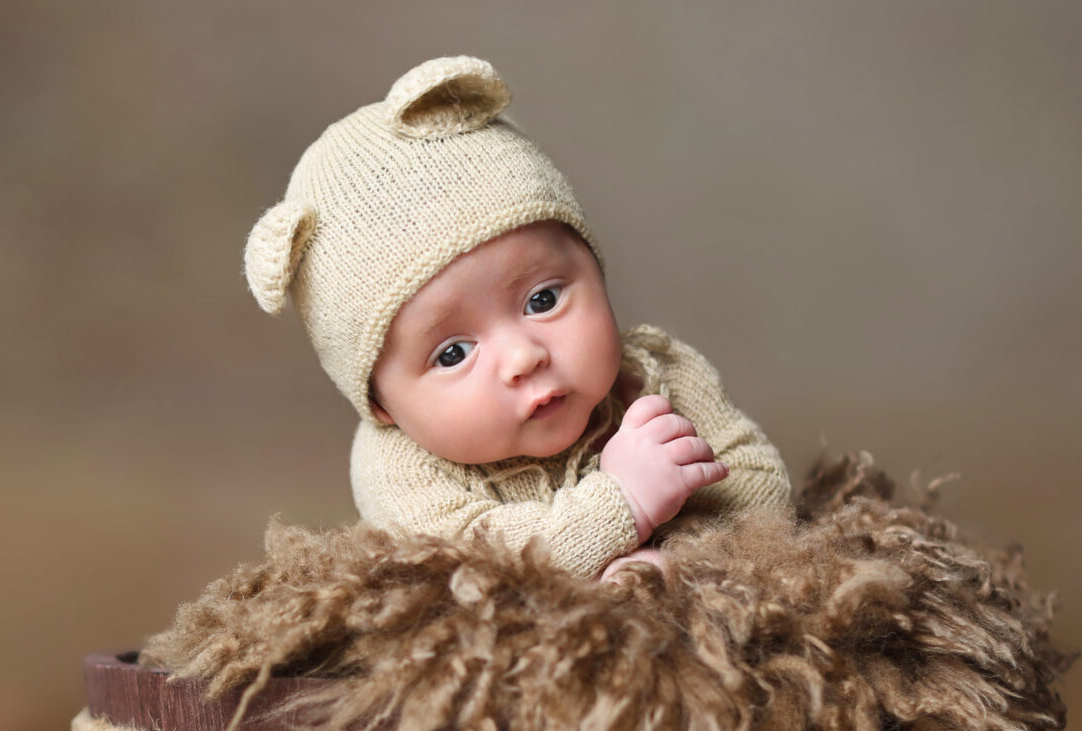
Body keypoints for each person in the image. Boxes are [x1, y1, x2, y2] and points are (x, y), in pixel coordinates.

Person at [242, 56, 792, 580]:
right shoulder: (399, 470)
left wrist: (683, 556)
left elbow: (761, 488)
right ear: (381, 404)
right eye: (453, 353)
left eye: (543, 300)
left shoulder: (655, 375)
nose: (524, 357)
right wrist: (622, 504)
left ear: (596, 270)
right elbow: (465, 574)